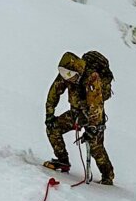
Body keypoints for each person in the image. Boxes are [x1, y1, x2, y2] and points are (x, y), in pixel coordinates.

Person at [43, 50, 115, 184]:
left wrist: (92, 127)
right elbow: (54, 92)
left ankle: (107, 176)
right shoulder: (68, 74)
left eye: (69, 74)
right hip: (76, 113)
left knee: (96, 147)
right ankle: (62, 161)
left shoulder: (91, 78)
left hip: (94, 116)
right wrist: (49, 114)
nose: (66, 77)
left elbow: (96, 105)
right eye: (64, 73)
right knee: (53, 129)